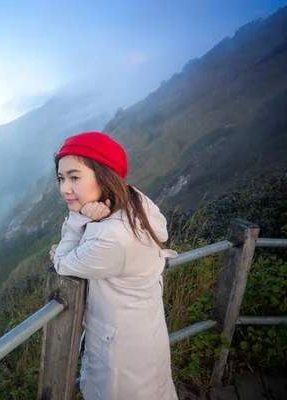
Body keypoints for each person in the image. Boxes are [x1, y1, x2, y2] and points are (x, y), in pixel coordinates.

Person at [49, 131, 178, 400]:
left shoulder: (112, 237)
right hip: (142, 332)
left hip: (122, 351)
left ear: (103, 175)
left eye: (75, 177)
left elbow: (61, 263)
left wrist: (78, 221)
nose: (65, 188)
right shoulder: (135, 202)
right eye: (61, 178)